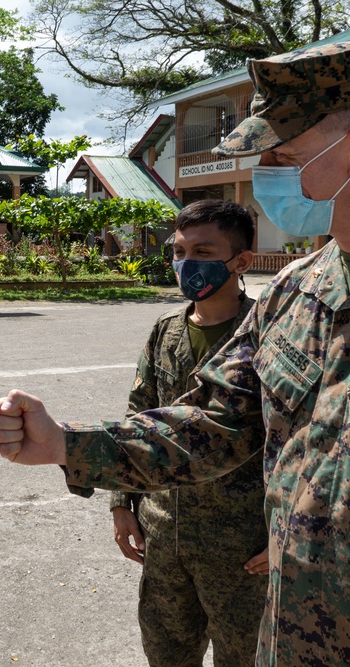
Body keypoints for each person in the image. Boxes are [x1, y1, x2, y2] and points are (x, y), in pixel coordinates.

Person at [0, 38, 350, 666]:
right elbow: (212, 424)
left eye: (283, 155)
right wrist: (65, 443)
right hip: (291, 642)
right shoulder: (292, 292)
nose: (264, 175)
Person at [110, 199, 267, 667]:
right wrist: (122, 504)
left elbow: (300, 437)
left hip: (243, 542)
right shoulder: (166, 329)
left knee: (245, 657)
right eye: (178, 251)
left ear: (241, 262)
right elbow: (139, 417)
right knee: (166, 653)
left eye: (202, 250)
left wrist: (287, 531)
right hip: (164, 531)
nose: (186, 263)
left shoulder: (268, 330)